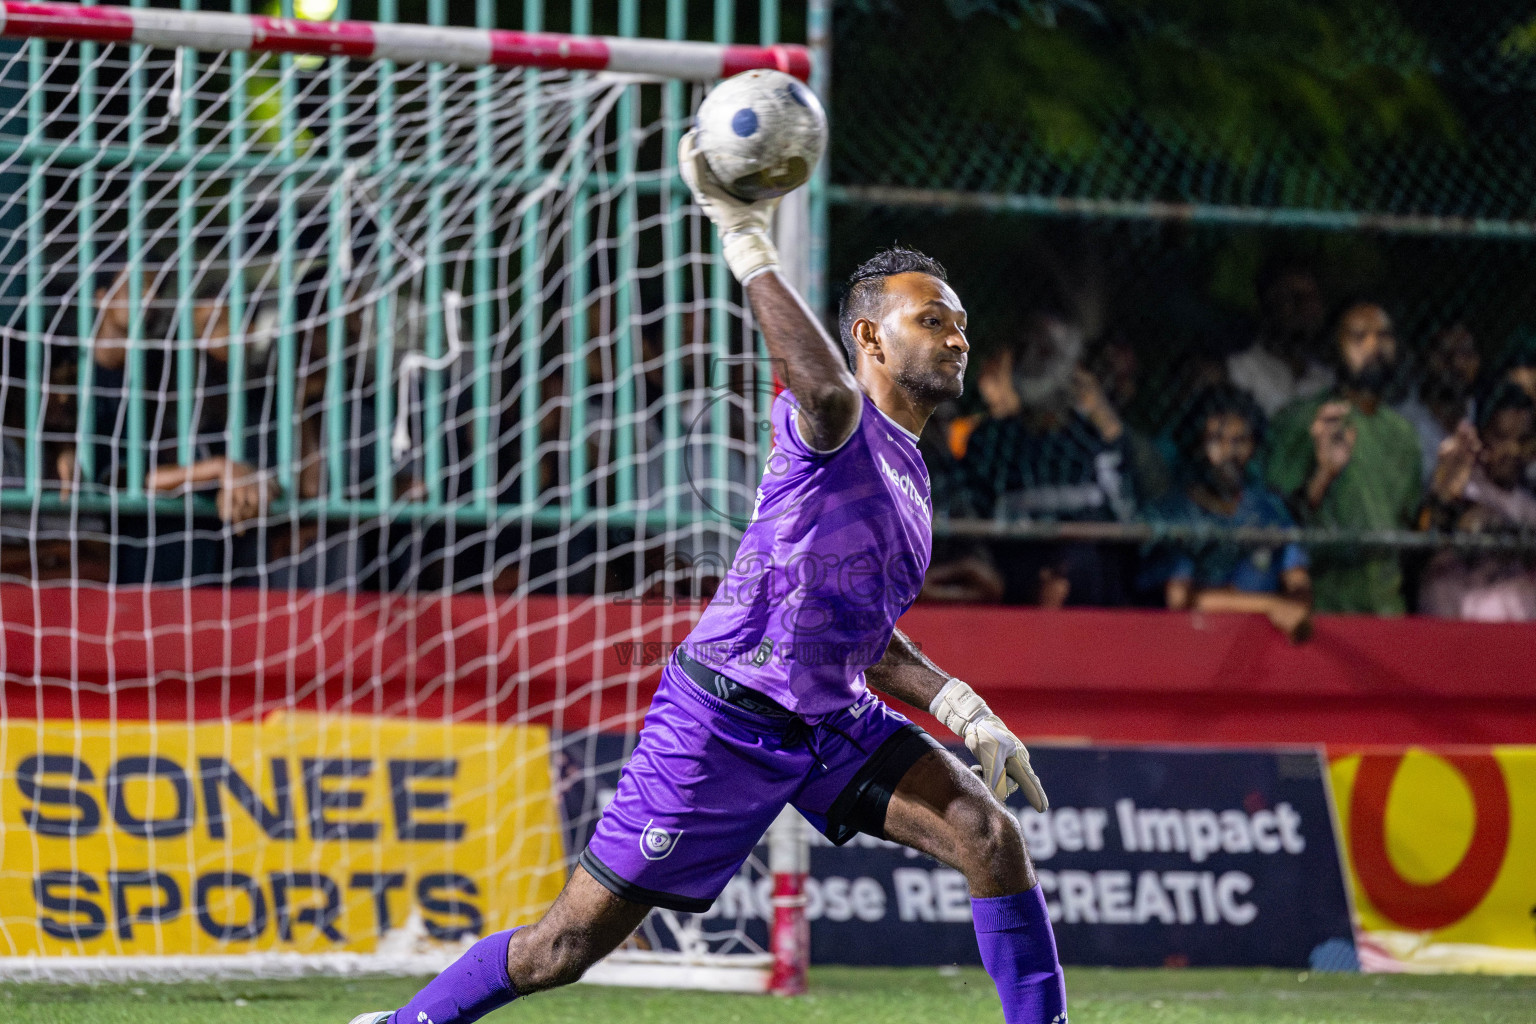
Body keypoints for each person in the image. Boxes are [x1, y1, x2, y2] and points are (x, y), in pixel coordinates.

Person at [349, 136, 1066, 1024]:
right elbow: (828, 393)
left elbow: (856, 630)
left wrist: (958, 704)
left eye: (960, 321)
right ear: (869, 336)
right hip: (727, 718)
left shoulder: (914, 473)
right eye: (933, 320)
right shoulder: (829, 427)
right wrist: (744, 235)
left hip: (831, 714)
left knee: (989, 836)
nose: (958, 336)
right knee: (563, 949)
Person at [961, 311, 1135, 606]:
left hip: (1084, 572)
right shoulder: (991, 439)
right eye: (1029, 352)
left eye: (1048, 353)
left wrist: (1107, 423)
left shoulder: (1094, 441)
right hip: (1014, 566)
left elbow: (1124, 515)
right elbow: (973, 515)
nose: (1036, 364)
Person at [1264, 299, 1422, 615]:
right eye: (1359, 336)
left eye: (1384, 336)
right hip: (1324, 603)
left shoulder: (1403, 434)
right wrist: (1323, 475)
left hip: (1388, 606)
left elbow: (1412, 527)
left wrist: (1444, 496)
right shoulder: (1301, 420)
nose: (1374, 346)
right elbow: (1275, 517)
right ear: (1333, 349)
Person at [1148, 385, 1312, 641]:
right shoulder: (1176, 511)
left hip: (1263, 644)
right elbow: (1182, 599)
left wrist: (1296, 603)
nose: (1229, 452)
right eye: (1216, 440)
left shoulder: (1269, 508)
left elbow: (1299, 582)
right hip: (1189, 643)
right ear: (1196, 446)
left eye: (1240, 441)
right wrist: (1271, 605)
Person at [1419, 384, 1536, 620]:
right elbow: (1434, 525)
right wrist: (1446, 504)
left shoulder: (1527, 500)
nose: (1512, 450)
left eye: (1522, 440)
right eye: (1501, 437)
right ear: (1481, 435)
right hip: (1457, 620)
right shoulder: (1460, 481)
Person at [1226, 259, 1333, 416]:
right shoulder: (1239, 370)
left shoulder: (1327, 379)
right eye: (1291, 296)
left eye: (1310, 297)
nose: (1303, 307)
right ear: (1269, 305)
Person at [1395, 323, 1480, 483]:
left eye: (1465, 353)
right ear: (1426, 356)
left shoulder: (1472, 408)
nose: (1456, 363)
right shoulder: (1403, 418)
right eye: (1445, 353)